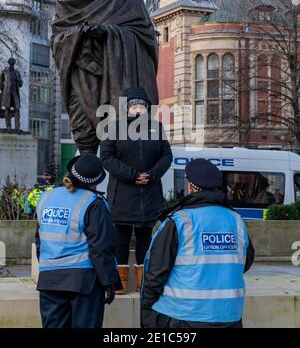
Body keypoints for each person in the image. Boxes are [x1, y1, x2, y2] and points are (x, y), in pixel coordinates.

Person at [51, 0, 158, 155]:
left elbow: (145, 34)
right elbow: (58, 34)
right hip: (83, 73)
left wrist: (109, 32)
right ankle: (85, 182)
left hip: (120, 73)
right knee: (84, 135)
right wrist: (81, 33)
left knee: (121, 138)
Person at [141, 158, 255, 328]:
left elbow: (155, 273)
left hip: (183, 316)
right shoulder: (236, 220)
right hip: (229, 316)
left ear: (190, 187)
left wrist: (147, 309)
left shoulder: (179, 221)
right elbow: (245, 263)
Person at [100, 87, 172, 294]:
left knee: (145, 239)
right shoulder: (113, 128)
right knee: (120, 238)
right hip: (122, 195)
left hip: (148, 196)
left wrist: (151, 174)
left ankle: (144, 282)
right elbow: (106, 157)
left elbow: (166, 156)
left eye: (142, 105)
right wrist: (132, 175)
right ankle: (120, 283)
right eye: (134, 105)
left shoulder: (157, 128)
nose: (138, 109)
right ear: (127, 108)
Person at [35, 154, 121, 328]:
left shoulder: (47, 197)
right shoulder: (94, 202)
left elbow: (39, 240)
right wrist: (109, 282)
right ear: (95, 181)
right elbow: (101, 248)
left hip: (49, 279)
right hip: (83, 282)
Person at [0, 57, 23, 131]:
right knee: (7, 109)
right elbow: (0, 82)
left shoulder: (17, 72)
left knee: (17, 109)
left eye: (13, 62)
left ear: (14, 63)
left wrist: (18, 79)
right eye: (11, 62)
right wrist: (3, 89)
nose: (12, 63)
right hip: (7, 93)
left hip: (15, 92)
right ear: (9, 62)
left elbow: (21, 84)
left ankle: (17, 127)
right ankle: (8, 126)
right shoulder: (4, 72)